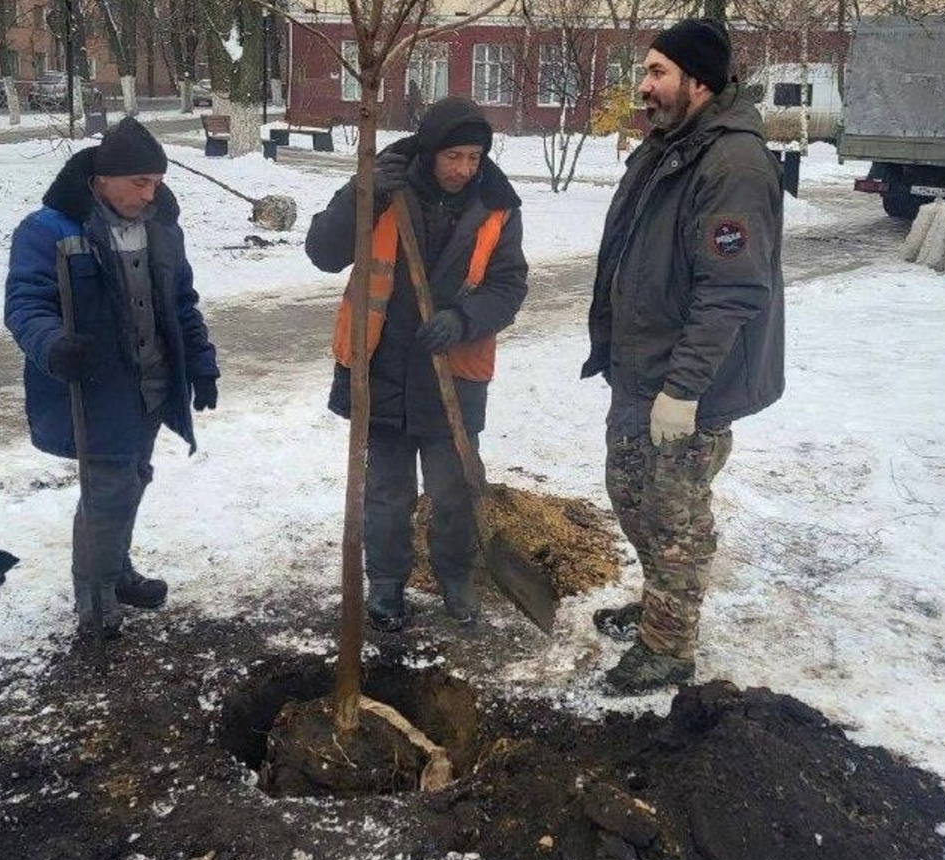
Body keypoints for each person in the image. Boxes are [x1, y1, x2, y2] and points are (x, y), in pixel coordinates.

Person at [580, 19, 784, 693]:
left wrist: (684, 389)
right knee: (631, 489)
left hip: (685, 379)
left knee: (675, 515)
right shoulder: (671, 145)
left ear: (698, 81)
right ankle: (660, 600)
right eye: (645, 71)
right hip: (642, 367)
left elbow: (731, 291)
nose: (644, 85)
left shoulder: (733, 164)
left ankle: (669, 646)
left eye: (658, 73)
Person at [305, 97, 528, 629]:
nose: (464, 170)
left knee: (453, 489)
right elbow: (322, 251)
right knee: (387, 489)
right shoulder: (386, 183)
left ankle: (454, 575)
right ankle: (386, 583)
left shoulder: (497, 204)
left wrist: (465, 317)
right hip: (381, 365)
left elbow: (509, 286)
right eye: (454, 157)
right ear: (430, 151)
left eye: (473, 158)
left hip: (455, 370)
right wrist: (365, 196)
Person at [4, 116, 220, 640]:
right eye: (139, 183)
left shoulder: (162, 228)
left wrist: (202, 361)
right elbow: (26, 304)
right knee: (106, 491)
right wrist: (53, 345)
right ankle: (95, 600)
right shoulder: (51, 230)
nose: (149, 195)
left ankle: (116, 572)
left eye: (157, 184)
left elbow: (181, 302)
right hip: (95, 388)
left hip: (151, 383)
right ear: (103, 179)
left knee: (129, 482)